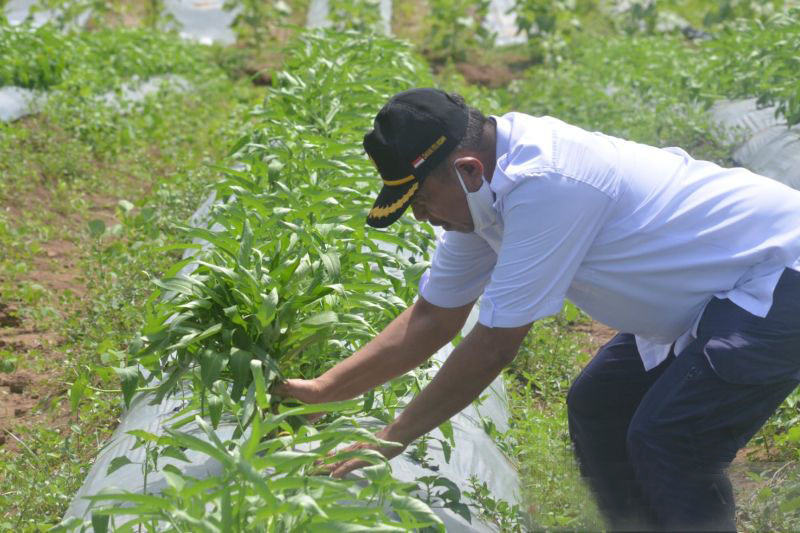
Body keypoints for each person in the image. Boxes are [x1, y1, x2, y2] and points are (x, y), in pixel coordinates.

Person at [277, 88, 800, 532]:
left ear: (467, 168)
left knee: (671, 440)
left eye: (420, 200)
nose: (422, 218)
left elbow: (494, 346)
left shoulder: (549, 182)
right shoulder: (476, 197)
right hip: (716, 290)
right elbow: (435, 316)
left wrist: (389, 438)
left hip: (778, 274)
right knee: (598, 406)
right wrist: (325, 391)